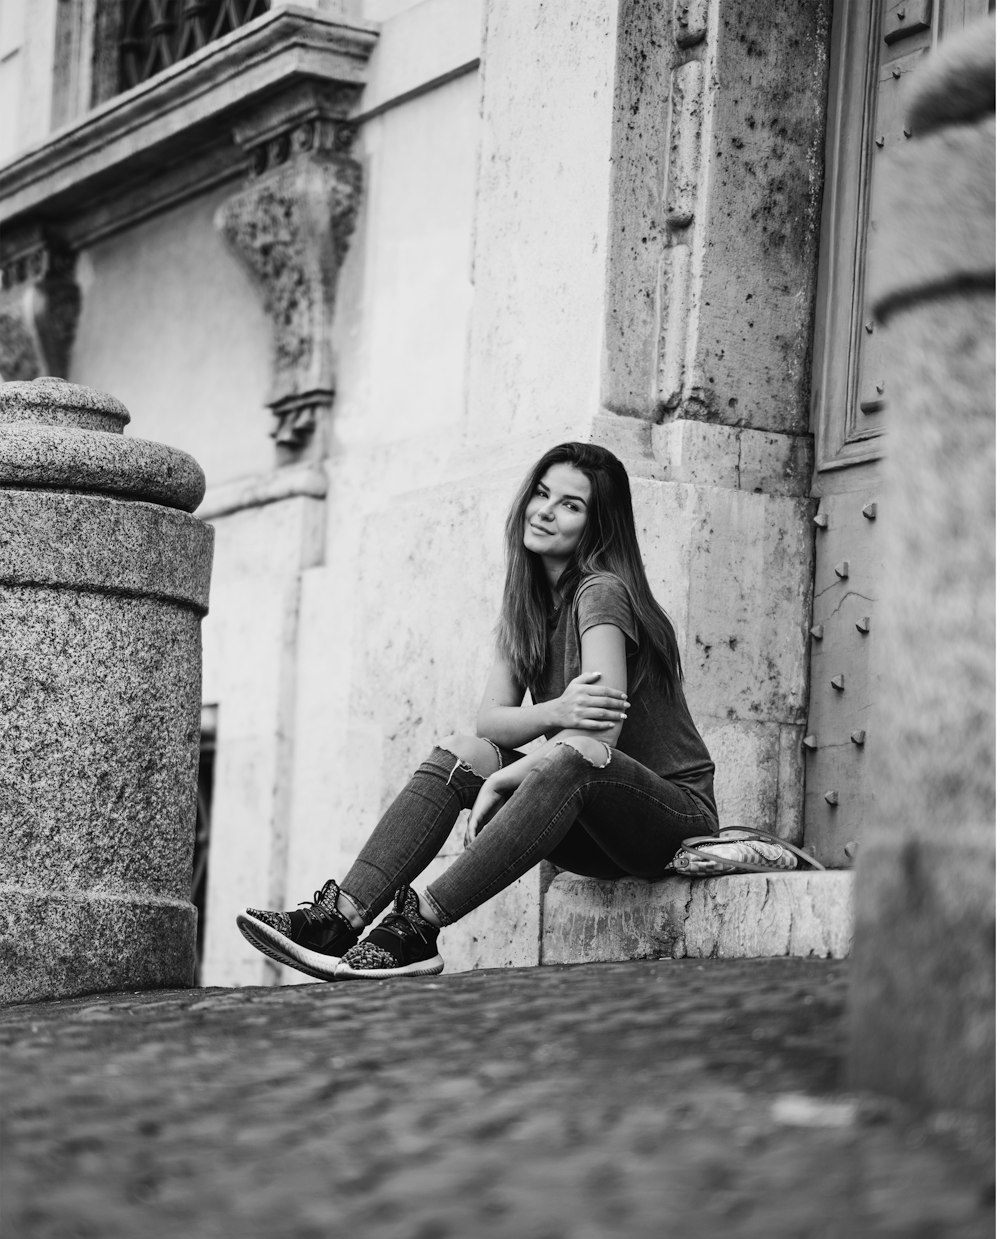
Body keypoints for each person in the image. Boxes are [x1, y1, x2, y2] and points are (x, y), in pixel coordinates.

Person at [237, 442, 718, 981]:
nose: (545, 510)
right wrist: (554, 711)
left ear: (597, 526)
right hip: (593, 828)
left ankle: (417, 928)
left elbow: (597, 740)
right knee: (464, 754)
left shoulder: (600, 592)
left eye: (570, 505)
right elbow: (490, 720)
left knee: (569, 757)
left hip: (668, 821)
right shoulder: (530, 603)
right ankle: (339, 919)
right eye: (541, 494)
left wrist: (508, 777)